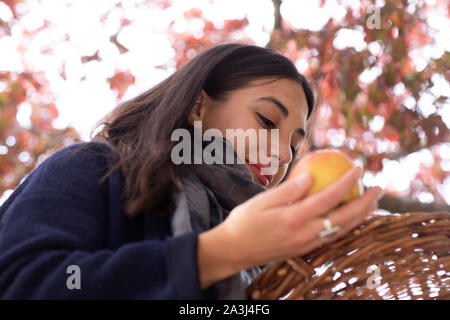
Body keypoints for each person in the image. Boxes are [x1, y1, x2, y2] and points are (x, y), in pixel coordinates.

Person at [0, 43, 383, 299]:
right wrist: (217, 253)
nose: (282, 154)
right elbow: (24, 283)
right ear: (198, 107)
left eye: (295, 145)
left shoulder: (276, 263)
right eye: (267, 120)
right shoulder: (92, 168)